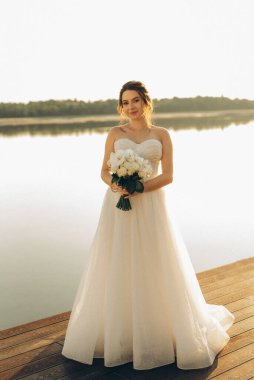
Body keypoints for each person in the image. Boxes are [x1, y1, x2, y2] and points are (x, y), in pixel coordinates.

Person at [62, 80, 235, 370]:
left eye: (135, 101)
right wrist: (117, 184)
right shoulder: (115, 134)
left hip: (152, 206)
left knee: (154, 262)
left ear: (146, 102)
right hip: (118, 206)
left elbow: (168, 176)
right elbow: (103, 171)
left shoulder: (162, 134)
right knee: (117, 261)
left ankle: (158, 329)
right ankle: (121, 333)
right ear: (121, 106)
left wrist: (141, 187)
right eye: (125, 102)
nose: (130, 107)